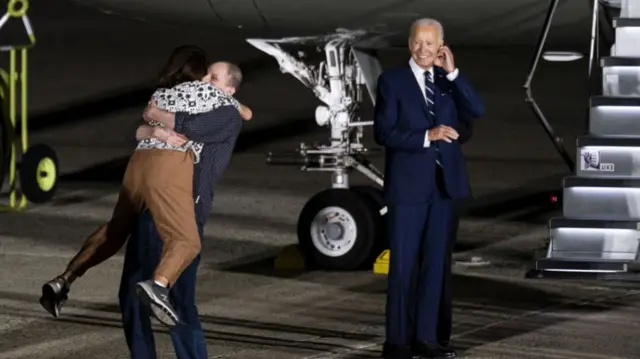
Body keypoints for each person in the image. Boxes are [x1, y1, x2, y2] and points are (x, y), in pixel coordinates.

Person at [39, 46, 250, 328]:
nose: (207, 80)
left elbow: (140, 126)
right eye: (207, 74)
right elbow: (242, 114)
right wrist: (218, 94)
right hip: (168, 168)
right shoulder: (213, 96)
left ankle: (64, 279)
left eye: (214, 76)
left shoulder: (161, 95)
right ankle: (159, 287)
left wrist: (153, 124)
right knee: (187, 243)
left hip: (138, 164)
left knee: (115, 230)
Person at [374, 18, 485, 359]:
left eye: (430, 43)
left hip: (444, 189)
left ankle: (428, 339)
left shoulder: (446, 82)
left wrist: (453, 74)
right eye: (418, 42)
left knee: (436, 266)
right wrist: (428, 136)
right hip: (408, 189)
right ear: (409, 43)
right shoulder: (392, 81)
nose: (423, 50)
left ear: (442, 46)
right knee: (403, 267)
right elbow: (384, 133)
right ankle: (397, 343)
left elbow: (476, 111)